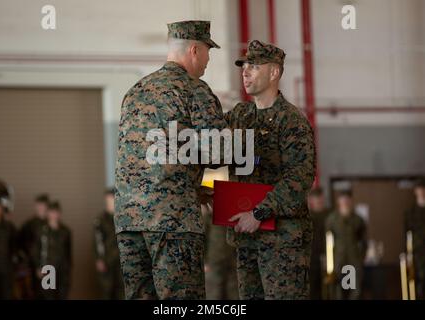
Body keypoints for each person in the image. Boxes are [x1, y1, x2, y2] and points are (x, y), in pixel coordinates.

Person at [114, 20, 227, 299]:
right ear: (194, 50)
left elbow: (140, 159)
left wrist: (189, 184)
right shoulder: (195, 90)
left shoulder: (134, 92)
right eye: (208, 52)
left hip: (128, 220)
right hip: (172, 221)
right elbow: (219, 152)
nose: (208, 60)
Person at [225, 40, 316, 299]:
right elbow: (213, 150)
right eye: (244, 66)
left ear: (274, 72)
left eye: (253, 66)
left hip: (282, 242)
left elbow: (300, 178)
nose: (245, 72)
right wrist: (209, 191)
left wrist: (259, 212)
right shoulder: (239, 116)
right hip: (245, 239)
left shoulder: (291, 120)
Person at [325, 190, 367, 300]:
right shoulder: (332, 219)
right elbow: (328, 242)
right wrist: (329, 263)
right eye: (343, 200)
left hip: (353, 260)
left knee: (355, 290)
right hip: (338, 260)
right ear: (338, 201)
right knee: (338, 291)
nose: (345, 203)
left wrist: (361, 258)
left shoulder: (358, 219)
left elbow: (364, 241)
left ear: (351, 201)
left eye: (347, 200)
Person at [33, 201, 72, 300]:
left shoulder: (66, 231)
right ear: (48, 213)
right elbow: (36, 250)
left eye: (56, 212)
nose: (54, 215)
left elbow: (69, 252)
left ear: (59, 213)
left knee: (62, 295)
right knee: (48, 296)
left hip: (63, 269)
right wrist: (38, 266)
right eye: (51, 212)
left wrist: (69, 269)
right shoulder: (42, 231)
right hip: (48, 269)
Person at [93, 188, 124, 299]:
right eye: (107, 200)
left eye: (111, 199)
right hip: (107, 260)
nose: (109, 202)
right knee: (107, 290)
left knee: (122, 290)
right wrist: (99, 259)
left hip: (121, 260)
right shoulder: (100, 219)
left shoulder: (122, 217)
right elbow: (97, 241)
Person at [19, 193, 50, 298]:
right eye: (39, 205)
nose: (41, 208)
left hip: (49, 266)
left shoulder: (52, 223)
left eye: (43, 205)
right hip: (32, 267)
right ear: (35, 206)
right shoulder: (29, 225)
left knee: (50, 293)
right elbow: (21, 245)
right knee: (33, 293)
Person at [308, 187, 331, 299]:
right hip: (312, 258)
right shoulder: (307, 217)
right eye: (316, 200)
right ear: (311, 200)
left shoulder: (331, 216)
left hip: (330, 257)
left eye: (320, 200)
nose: (319, 203)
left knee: (330, 289)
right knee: (313, 289)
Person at [404, 177, 425, 300]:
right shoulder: (410, 213)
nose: (422, 191)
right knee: (416, 286)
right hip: (416, 254)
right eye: (419, 189)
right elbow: (406, 235)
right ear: (415, 191)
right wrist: (407, 255)